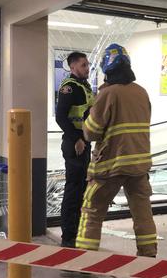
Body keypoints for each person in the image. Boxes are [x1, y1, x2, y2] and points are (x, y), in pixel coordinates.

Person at [75, 43, 157, 257]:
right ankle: (148, 255)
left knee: (92, 210)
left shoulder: (107, 94)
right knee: (142, 213)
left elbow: (91, 133)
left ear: (106, 69)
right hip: (139, 165)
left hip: (111, 165)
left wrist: (88, 119)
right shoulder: (141, 93)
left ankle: (84, 259)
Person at [55, 52, 93, 248]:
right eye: (83, 65)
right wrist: (77, 139)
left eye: (87, 65)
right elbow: (60, 117)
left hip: (84, 143)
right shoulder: (69, 88)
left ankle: (77, 233)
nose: (87, 68)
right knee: (73, 191)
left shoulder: (85, 86)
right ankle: (68, 238)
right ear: (73, 67)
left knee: (81, 190)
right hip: (74, 143)